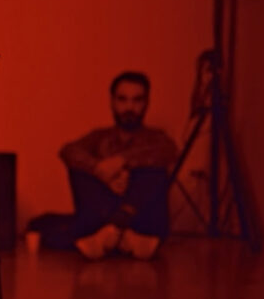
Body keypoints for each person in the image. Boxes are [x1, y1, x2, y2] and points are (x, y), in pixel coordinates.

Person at [60, 71, 177, 260]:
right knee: (79, 171)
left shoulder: (157, 139)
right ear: (112, 102)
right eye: (123, 99)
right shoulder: (99, 136)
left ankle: (116, 228)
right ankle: (119, 233)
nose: (129, 107)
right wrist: (101, 171)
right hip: (101, 218)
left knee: (153, 171)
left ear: (146, 102)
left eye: (137, 100)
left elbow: (169, 151)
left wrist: (121, 162)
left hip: (142, 222)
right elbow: (68, 151)